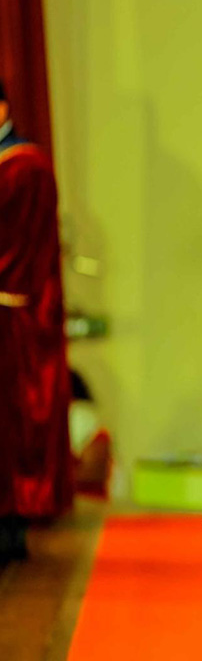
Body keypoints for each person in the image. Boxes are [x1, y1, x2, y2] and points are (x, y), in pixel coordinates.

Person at [0, 79, 73, 563]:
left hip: (15, 319)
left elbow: (19, 253)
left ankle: (13, 529)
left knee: (14, 430)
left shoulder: (24, 167)